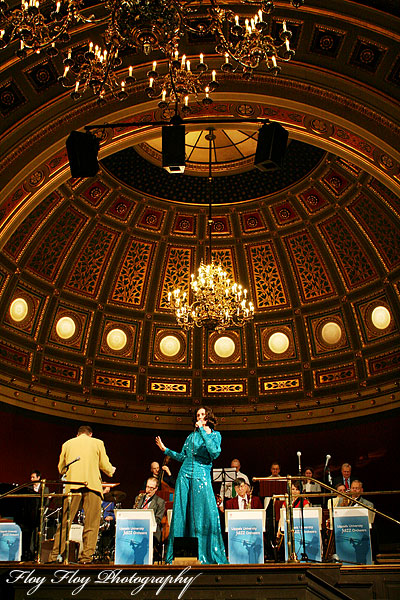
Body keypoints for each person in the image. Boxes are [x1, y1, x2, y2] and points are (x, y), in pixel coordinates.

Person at [155, 406, 228, 565]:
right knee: (182, 512)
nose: (199, 417)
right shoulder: (190, 437)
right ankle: (181, 554)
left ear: (208, 417)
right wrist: (165, 449)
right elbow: (182, 456)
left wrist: (202, 430)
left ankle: (203, 553)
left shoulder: (215, 435)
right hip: (184, 475)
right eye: (197, 415)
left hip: (201, 476)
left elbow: (214, 452)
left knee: (201, 513)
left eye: (202, 415)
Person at [47, 424, 115, 564]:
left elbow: (61, 468)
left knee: (66, 522)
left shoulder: (67, 444)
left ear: (77, 434)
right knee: (91, 523)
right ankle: (86, 558)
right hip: (92, 487)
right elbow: (105, 465)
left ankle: (53, 557)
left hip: (73, 487)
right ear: (90, 434)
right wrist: (111, 471)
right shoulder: (97, 443)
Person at [133, 477, 165, 549]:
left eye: (151, 488)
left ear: (156, 489)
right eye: (147, 487)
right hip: (137, 530)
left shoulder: (160, 502)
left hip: (152, 532)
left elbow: (158, 519)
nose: (149, 490)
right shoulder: (138, 498)